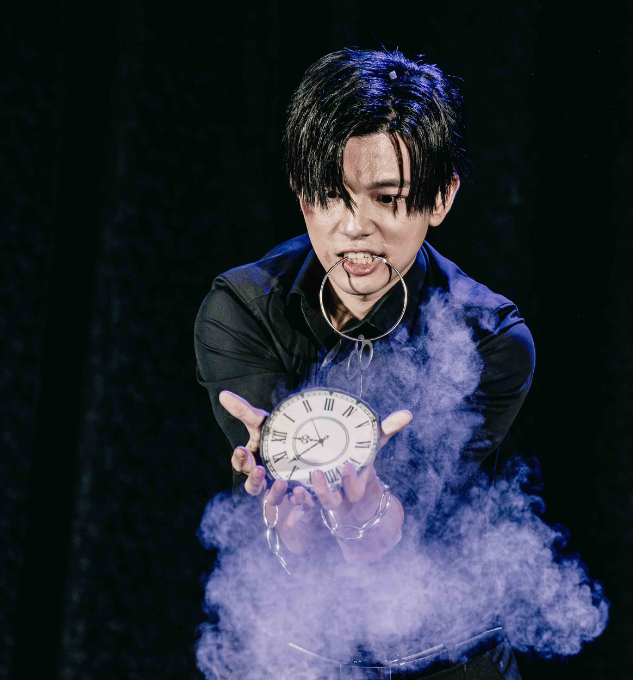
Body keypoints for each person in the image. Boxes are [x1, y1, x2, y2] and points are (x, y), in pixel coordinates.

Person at [195, 48, 533, 680]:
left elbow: (408, 523)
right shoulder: (243, 309)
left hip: (448, 660)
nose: (356, 227)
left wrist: (367, 526)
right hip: (296, 656)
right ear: (303, 196)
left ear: (441, 198)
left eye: (388, 198)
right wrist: (286, 521)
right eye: (331, 195)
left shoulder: (489, 339)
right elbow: (285, 523)